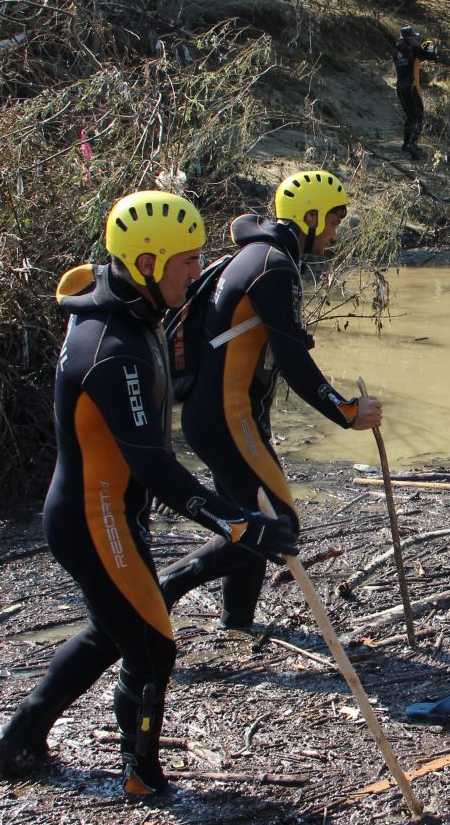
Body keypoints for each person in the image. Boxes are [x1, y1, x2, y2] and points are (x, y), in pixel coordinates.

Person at [0, 190, 298, 798]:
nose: (196, 271)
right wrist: (240, 523)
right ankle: (141, 775)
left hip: (105, 514)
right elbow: (156, 469)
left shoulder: (130, 310)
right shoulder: (115, 349)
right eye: (186, 261)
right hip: (93, 518)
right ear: (148, 262)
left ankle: (18, 738)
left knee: (113, 630)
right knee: (152, 645)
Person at [157, 169, 382, 629]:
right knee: (278, 525)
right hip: (226, 415)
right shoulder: (274, 266)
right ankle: (167, 585)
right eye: (334, 222)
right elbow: (293, 360)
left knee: (252, 517)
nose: (335, 232)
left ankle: (236, 624)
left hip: (222, 414)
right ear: (312, 217)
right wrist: (347, 412)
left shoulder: (260, 255)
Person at [392, 25, 439, 159]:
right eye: (414, 38)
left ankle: (406, 144)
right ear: (410, 39)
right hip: (412, 86)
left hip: (400, 87)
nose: (416, 40)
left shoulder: (395, 52)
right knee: (419, 115)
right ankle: (413, 143)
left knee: (409, 115)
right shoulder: (414, 49)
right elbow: (432, 57)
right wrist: (431, 47)